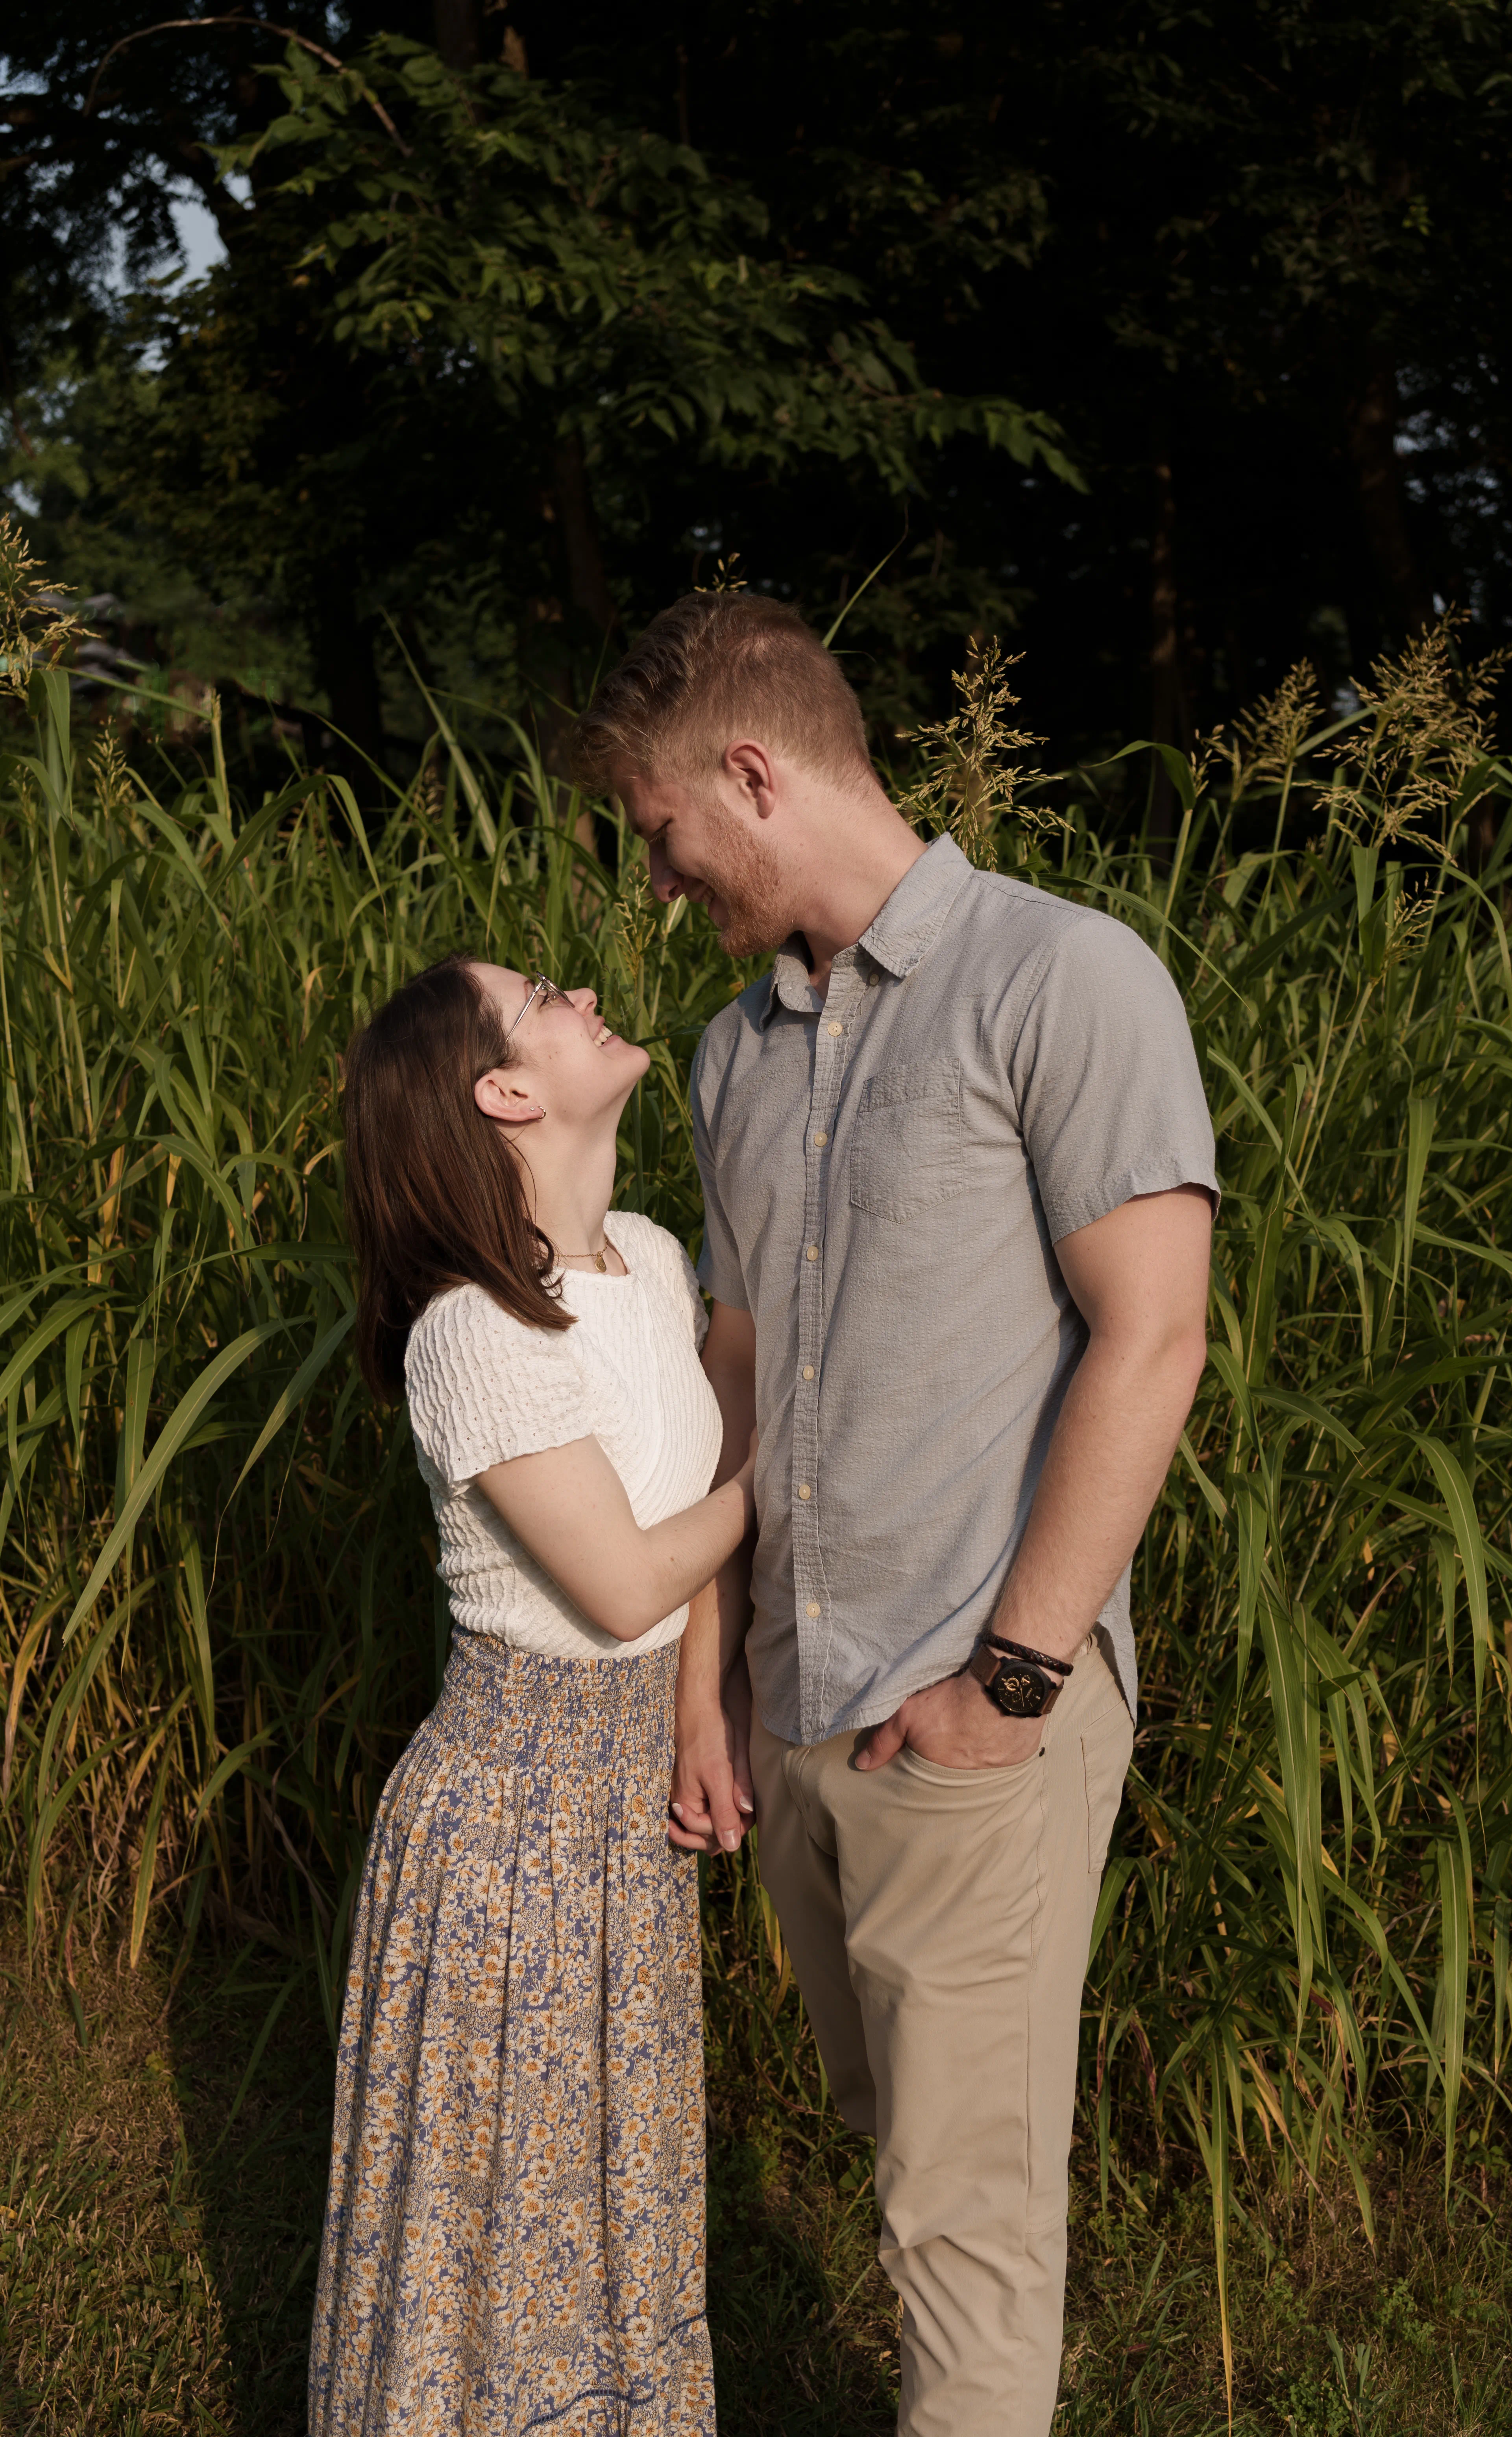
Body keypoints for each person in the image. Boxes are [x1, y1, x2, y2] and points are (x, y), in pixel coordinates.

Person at [571, 593, 1218, 2437]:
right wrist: (709, 1681)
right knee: (901, 2142)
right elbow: (737, 1376)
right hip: (801, 1708)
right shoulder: (733, 1056)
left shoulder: (1062, 979)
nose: (660, 884)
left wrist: (1008, 1686)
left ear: (752, 775)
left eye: (664, 836)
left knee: (964, 2215)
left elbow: (1154, 1339)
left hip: (975, 1704)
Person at [309, 952, 753, 2437]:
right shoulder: (473, 1330)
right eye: (546, 997)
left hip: (628, 1807)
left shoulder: (650, 1259)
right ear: (504, 1092)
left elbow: (684, 1547)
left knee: (615, 2199)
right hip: (509, 1829)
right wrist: (788, 1480)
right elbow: (626, 1582)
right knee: (497, 2227)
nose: (585, 998)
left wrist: (700, 1707)